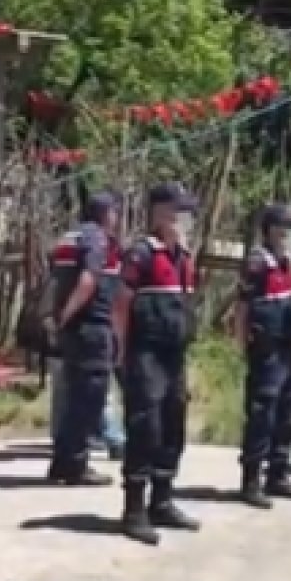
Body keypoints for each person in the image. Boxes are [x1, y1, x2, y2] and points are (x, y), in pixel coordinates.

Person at [114, 182, 202, 545]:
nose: (184, 219)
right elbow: (121, 302)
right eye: (178, 211)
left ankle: (162, 501)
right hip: (144, 353)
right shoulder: (141, 253)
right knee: (145, 424)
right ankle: (134, 509)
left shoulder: (182, 256)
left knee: (173, 423)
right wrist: (120, 347)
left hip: (173, 354)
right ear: (160, 212)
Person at [233, 203, 291, 508]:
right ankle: (251, 480)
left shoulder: (286, 263)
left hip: (288, 348)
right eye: (286, 227)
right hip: (266, 350)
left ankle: (277, 473)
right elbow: (242, 306)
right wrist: (241, 342)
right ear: (271, 230)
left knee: (288, 411)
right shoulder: (258, 262)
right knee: (262, 413)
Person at [44, 191, 120, 486]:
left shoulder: (68, 237)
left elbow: (55, 279)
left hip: (73, 330)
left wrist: (59, 317)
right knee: (90, 397)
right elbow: (88, 281)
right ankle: (76, 464)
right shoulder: (96, 239)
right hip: (90, 325)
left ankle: (62, 462)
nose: (117, 219)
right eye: (115, 212)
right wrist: (69, 312)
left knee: (73, 396)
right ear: (106, 213)